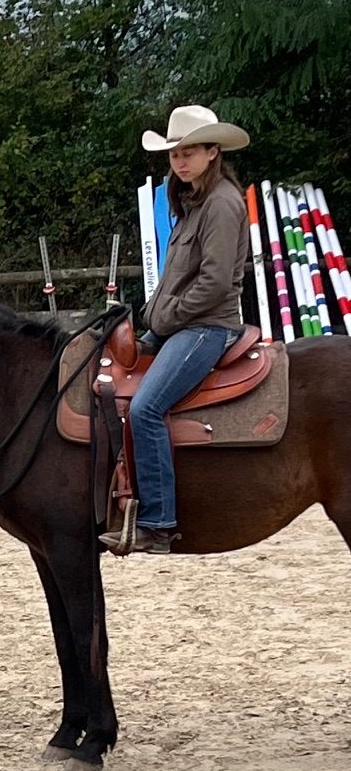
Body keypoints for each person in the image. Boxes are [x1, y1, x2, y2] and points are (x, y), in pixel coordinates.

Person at [101, 104, 251, 556]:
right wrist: (151, 308)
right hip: (180, 322)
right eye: (174, 154)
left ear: (212, 152)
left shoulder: (222, 204)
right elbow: (176, 276)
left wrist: (164, 318)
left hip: (207, 327)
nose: (180, 161)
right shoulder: (189, 202)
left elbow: (215, 282)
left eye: (188, 152)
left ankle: (159, 522)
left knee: (147, 407)